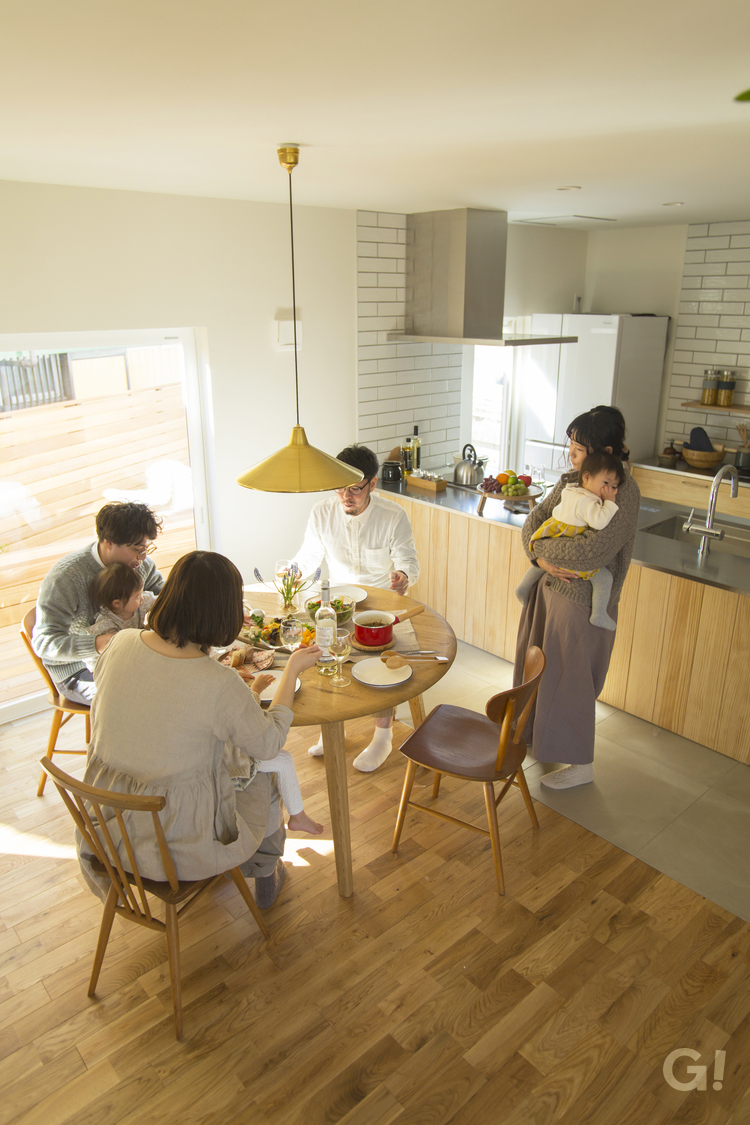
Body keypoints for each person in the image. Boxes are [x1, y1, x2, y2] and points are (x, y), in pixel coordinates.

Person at [77, 551, 322, 909]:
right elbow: (269, 743)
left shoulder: (119, 643)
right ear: (222, 612)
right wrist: (293, 671)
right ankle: (266, 871)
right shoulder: (219, 682)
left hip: (106, 823)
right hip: (174, 845)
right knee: (265, 778)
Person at [514, 406, 640, 789]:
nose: (571, 452)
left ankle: (580, 765)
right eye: (571, 444)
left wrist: (543, 553)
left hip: (582, 601)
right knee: (539, 670)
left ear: (604, 449)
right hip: (550, 590)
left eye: (578, 446)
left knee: (571, 681)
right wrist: (538, 557)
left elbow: (594, 553)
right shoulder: (574, 479)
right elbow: (532, 523)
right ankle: (538, 738)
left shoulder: (622, 492)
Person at [292, 444, 420, 772]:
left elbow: (408, 559)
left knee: (381, 668)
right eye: (339, 486)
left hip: (382, 603)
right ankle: (331, 727)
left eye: (355, 488)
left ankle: (382, 736)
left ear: (373, 484)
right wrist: (288, 575)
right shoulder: (322, 512)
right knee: (325, 659)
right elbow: (308, 556)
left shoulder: (393, 515)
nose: (345, 496)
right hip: (339, 604)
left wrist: (403, 577)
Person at [32, 501, 164, 704]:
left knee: (173, 680)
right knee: (138, 698)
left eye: (146, 548)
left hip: (131, 658)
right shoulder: (66, 577)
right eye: (138, 549)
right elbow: (44, 643)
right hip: (78, 670)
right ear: (109, 541)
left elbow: (166, 598)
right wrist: (100, 643)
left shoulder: (141, 565)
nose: (143, 557)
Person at [515, 451, 624, 631]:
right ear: (587, 477)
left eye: (614, 487)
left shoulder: (571, 489)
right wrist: (610, 503)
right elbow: (599, 522)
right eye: (605, 483)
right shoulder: (589, 502)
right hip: (570, 540)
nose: (608, 490)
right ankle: (599, 613)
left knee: (541, 563)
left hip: (553, 533)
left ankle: (523, 587)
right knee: (604, 577)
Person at [229, 670, 324, 837]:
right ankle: (298, 816)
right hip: (227, 761)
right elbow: (247, 714)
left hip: (217, 749)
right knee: (284, 759)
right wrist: (256, 690)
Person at [87, 562, 158, 644]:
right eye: (137, 597)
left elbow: (161, 601)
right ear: (117, 604)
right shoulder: (106, 624)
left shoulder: (141, 603)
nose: (142, 598)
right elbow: (110, 649)